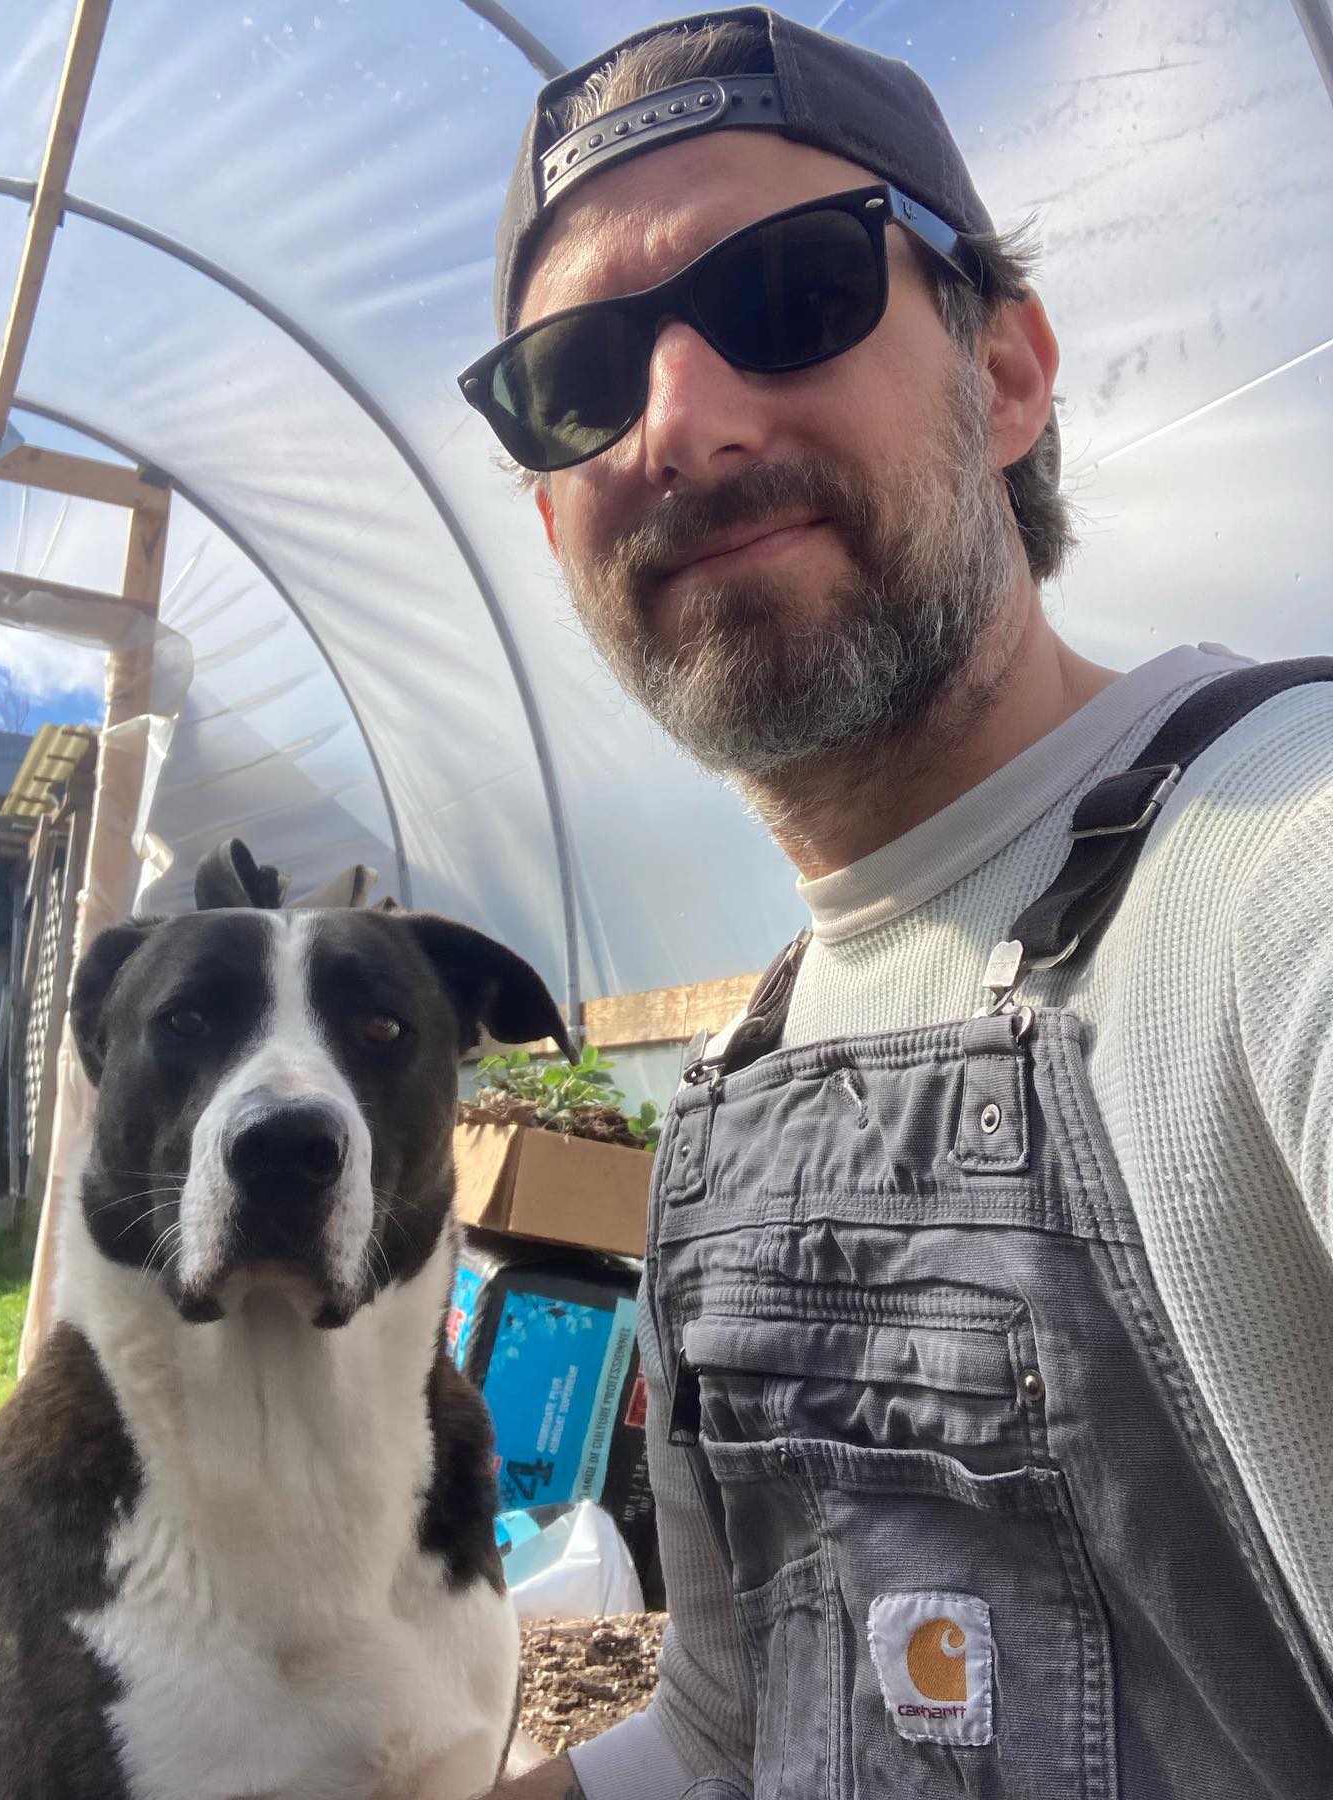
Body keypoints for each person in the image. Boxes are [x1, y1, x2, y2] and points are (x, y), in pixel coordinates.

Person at [459, 10, 1333, 1796]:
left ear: (1007, 376)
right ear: (552, 523)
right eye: (580, 380)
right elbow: (728, 1723)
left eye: (790, 290)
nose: (681, 421)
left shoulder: (1275, 857)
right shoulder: (729, 1096)